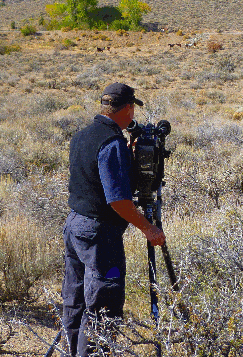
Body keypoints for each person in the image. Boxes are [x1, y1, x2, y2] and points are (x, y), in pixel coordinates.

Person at [62, 82, 166, 357]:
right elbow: (118, 200)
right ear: (128, 108)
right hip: (99, 233)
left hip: (75, 225)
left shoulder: (82, 135)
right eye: (132, 111)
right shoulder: (112, 143)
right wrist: (148, 227)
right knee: (102, 307)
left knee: (75, 303)